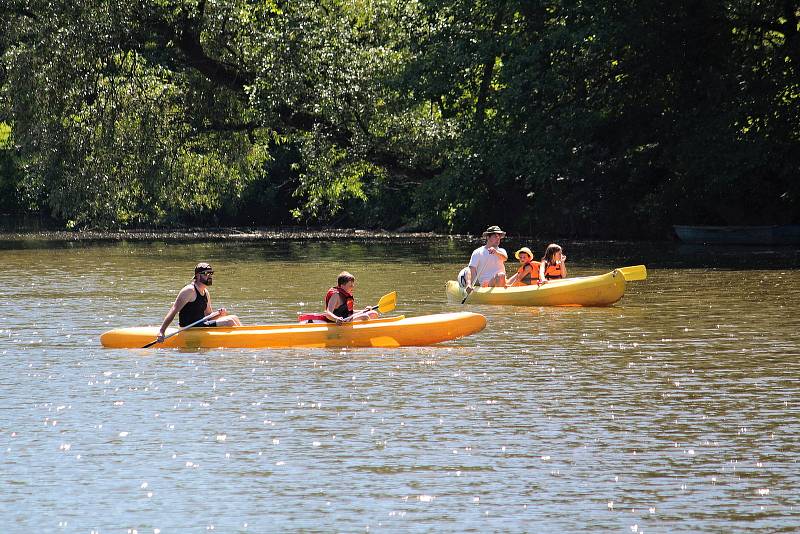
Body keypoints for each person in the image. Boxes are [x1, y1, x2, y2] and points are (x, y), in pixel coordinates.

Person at [156, 262, 242, 343]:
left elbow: (208, 316)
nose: (209, 276)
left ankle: (245, 335)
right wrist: (161, 331)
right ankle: (241, 342)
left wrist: (218, 314)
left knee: (234, 317)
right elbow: (173, 310)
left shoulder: (206, 292)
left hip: (201, 325)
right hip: (189, 328)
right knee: (229, 321)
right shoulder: (189, 290)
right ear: (197, 275)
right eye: (206, 274)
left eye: (211, 273)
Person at [300, 272, 379, 325]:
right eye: (350, 285)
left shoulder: (346, 295)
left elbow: (348, 312)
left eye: (353, 284)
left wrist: (363, 310)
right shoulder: (336, 295)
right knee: (365, 317)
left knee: (373, 313)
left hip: (346, 319)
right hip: (336, 322)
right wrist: (336, 319)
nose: (352, 287)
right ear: (342, 286)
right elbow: (328, 313)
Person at [464, 225, 509, 295]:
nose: (498, 239)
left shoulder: (501, 250)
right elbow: (470, 269)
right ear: (488, 237)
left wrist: (495, 252)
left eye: (499, 236)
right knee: (501, 276)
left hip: (502, 281)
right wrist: (468, 284)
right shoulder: (478, 252)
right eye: (495, 236)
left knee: (501, 276)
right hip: (486, 284)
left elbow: (505, 258)